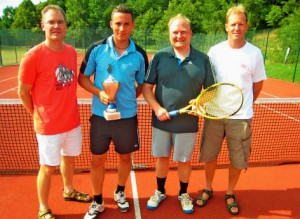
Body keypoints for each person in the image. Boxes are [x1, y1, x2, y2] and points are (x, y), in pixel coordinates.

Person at [17, 5, 91, 219]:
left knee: (69, 158)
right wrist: (37, 114)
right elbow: (23, 92)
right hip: (48, 126)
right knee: (48, 167)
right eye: (51, 22)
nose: (56, 26)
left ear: (66, 26)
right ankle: (43, 207)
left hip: (72, 122)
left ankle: (69, 190)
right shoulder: (32, 56)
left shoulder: (70, 52)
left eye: (60, 22)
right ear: (43, 26)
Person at [195, 4, 267, 215]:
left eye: (240, 24)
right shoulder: (215, 51)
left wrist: (244, 105)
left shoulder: (254, 53)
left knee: (237, 159)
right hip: (214, 115)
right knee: (210, 155)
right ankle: (208, 188)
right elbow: (209, 83)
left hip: (241, 117)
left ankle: (229, 192)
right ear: (226, 26)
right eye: (233, 24)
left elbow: (257, 85)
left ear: (247, 26)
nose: (237, 27)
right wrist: (205, 102)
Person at [78, 4, 148, 219]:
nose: (122, 28)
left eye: (127, 24)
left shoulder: (139, 54)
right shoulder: (96, 49)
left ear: (133, 26)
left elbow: (142, 84)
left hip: (127, 117)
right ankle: (97, 200)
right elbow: (82, 78)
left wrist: (126, 99)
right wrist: (100, 93)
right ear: (111, 24)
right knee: (97, 159)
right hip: (101, 117)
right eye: (118, 23)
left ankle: (119, 192)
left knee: (125, 158)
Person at [142, 14, 215, 214]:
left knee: (184, 160)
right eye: (175, 32)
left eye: (183, 31)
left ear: (190, 33)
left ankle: (183, 193)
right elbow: (147, 88)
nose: (179, 35)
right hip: (161, 120)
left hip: (187, 123)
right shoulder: (159, 57)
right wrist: (157, 108)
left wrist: (201, 102)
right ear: (169, 34)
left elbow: (211, 91)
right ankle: (160, 191)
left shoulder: (203, 59)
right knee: (162, 157)